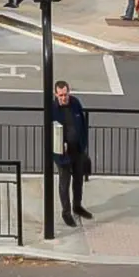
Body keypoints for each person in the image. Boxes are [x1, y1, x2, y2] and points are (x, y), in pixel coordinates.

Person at [50, 80, 92, 227]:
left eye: (65, 94)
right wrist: (60, 146)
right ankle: (66, 212)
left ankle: (77, 206)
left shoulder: (75, 103)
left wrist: (83, 144)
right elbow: (51, 131)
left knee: (78, 181)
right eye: (60, 95)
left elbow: (82, 124)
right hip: (63, 154)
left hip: (77, 150)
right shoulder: (53, 109)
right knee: (64, 183)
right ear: (56, 94)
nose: (63, 98)